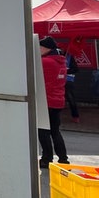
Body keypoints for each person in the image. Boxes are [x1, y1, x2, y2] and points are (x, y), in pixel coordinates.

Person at [38, 36, 70, 169]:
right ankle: (63, 158)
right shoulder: (60, 61)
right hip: (58, 101)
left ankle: (46, 159)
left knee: (43, 131)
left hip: (47, 102)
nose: (38, 50)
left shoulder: (46, 62)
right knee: (55, 131)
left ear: (46, 48)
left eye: (39, 48)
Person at [64, 52, 80, 123]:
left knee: (71, 98)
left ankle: (75, 116)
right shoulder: (55, 55)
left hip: (68, 80)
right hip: (58, 79)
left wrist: (65, 71)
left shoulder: (69, 56)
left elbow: (75, 69)